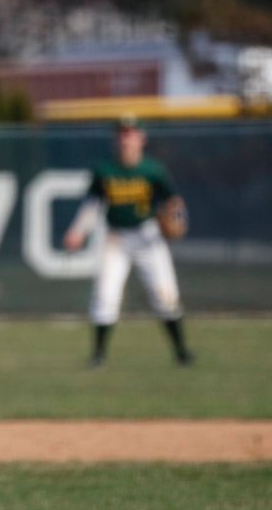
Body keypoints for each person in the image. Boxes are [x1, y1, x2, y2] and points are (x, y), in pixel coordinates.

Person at [62, 115, 192, 368]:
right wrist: (78, 230)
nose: (126, 139)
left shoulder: (153, 170)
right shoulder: (104, 170)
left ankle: (181, 352)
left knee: (165, 295)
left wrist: (178, 222)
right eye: (122, 134)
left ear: (141, 139)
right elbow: (93, 204)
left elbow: (174, 201)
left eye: (131, 134)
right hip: (117, 238)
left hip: (148, 237)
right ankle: (98, 355)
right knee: (105, 294)